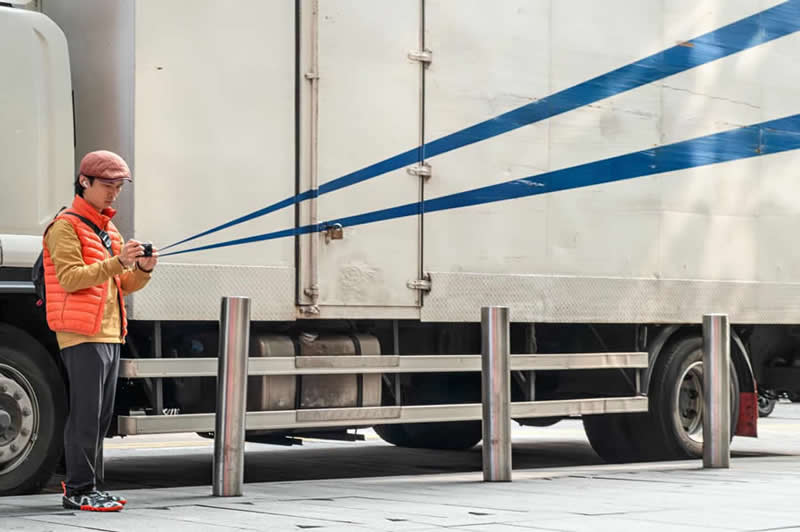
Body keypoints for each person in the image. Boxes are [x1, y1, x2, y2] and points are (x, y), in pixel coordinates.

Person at [42, 150, 157, 511]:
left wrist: (142, 269)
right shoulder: (65, 226)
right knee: (86, 416)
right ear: (84, 181)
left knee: (101, 417)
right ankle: (78, 490)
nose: (113, 193)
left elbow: (122, 284)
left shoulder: (108, 229)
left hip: (109, 332)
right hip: (81, 333)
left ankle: (89, 488)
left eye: (118, 186)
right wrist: (117, 261)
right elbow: (70, 278)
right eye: (107, 185)